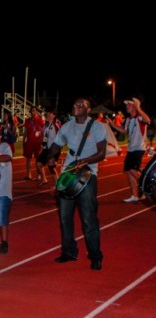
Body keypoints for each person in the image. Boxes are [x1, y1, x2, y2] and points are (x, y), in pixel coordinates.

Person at [47, 98, 107, 270]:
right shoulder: (67, 126)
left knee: (89, 218)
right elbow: (56, 145)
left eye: (81, 105)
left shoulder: (96, 127)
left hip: (88, 174)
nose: (76, 106)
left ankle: (95, 255)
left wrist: (84, 161)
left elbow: (101, 153)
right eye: (75, 104)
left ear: (88, 110)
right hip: (68, 174)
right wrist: (52, 157)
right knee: (65, 218)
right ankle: (69, 252)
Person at [107, 97, 151, 202]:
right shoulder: (128, 119)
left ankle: (148, 186)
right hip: (131, 148)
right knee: (129, 171)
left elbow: (148, 121)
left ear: (135, 106)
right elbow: (125, 131)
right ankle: (135, 195)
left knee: (133, 170)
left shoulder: (140, 117)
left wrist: (138, 107)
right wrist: (112, 125)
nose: (126, 107)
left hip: (139, 148)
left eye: (129, 105)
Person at [36, 110, 61, 186]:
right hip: (46, 149)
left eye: (50, 113)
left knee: (51, 167)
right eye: (48, 113)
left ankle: (58, 184)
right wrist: (43, 144)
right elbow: (46, 137)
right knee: (38, 163)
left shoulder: (55, 125)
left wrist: (55, 151)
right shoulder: (46, 125)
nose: (48, 114)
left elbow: (60, 138)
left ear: (54, 115)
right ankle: (44, 179)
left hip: (53, 150)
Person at [21, 106, 44, 180]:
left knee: (38, 159)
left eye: (34, 110)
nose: (33, 112)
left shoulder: (40, 120)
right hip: (29, 142)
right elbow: (26, 131)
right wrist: (24, 140)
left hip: (38, 142)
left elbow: (43, 131)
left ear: (37, 111)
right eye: (32, 111)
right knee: (28, 159)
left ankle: (39, 175)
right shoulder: (27, 120)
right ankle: (29, 175)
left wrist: (42, 142)